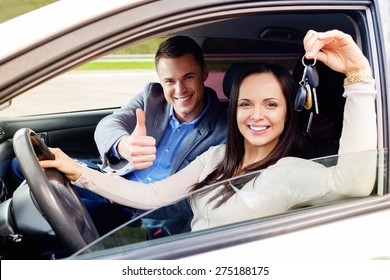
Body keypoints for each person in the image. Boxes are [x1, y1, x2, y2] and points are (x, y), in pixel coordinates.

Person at [39, 29, 377, 232]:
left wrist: (358, 76)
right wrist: (78, 171)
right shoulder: (218, 156)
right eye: (246, 103)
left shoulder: (289, 172)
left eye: (271, 104)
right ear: (235, 108)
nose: (256, 115)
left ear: (289, 112)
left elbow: (355, 182)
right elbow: (154, 196)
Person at [91, 35, 228, 235]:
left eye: (188, 77)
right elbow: (108, 125)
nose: (180, 90)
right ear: (160, 81)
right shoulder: (151, 97)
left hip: (143, 215)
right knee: (39, 174)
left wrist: (124, 195)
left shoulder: (224, 132)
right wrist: (124, 145)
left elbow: (192, 201)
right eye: (170, 81)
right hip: (110, 182)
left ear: (204, 73)